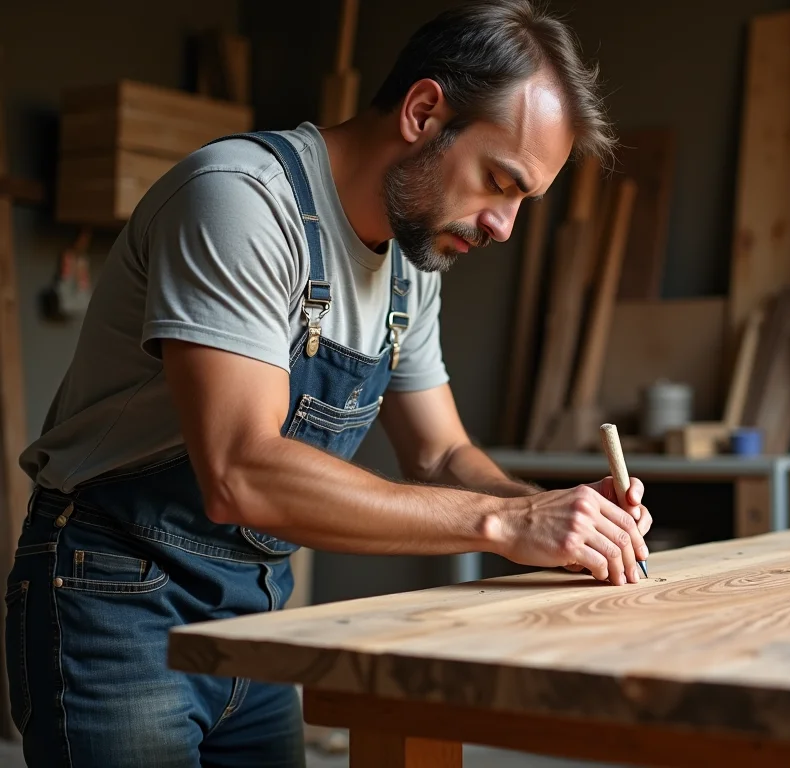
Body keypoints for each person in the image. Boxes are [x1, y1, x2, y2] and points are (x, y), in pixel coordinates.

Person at [4, 1, 651, 765]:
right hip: (112, 594)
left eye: (521, 201)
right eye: (498, 182)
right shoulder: (242, 202)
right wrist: (506, 524)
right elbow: (241, 473)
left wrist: (559, 520)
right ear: (422, 111)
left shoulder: (412, 264)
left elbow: (440, 454)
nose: (503, 226)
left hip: (256, 605)